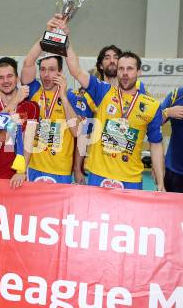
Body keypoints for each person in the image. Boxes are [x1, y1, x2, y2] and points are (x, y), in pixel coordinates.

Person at [63, 31, 165, 190]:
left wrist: (160, 182)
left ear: (139, 72)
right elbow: (75, 70)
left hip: (130, 179)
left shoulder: (151, 106)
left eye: (130, 69)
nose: (125, 73)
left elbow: (156, 145)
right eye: (121, 69)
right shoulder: (103, 92)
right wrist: (65, 37)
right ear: (116, 71)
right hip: (98, 176)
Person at [20, 31, 80, 184]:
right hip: (33, 167)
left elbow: (76, 131)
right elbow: (28, 62)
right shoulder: (33, 91)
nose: (46, 74)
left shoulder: (72, 97)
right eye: (43, 69)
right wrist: (47, 34)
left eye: (52, 69)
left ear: (60, 72)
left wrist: (64, 98)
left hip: (60, 170)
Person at [0, 57, 39, 188]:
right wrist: (15, 101)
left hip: (17, 177)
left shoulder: (31, 107)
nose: (5, 81)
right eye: (1, 77)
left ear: (17, 78)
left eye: (9, 76)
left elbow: (28, 143)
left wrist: (21, 171)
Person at [161, 87, 183, 192]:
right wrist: (167, 112)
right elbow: (155, 121)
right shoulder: (177, 94)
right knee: (171, 208)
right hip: (174, 171)